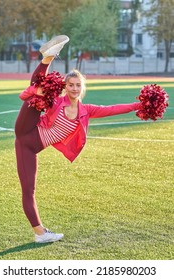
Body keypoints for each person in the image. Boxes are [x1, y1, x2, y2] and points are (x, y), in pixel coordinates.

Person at [15, 35, 141, 243]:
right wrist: (38, 90)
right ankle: (48, 58)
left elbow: (112, 109)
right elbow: (30, 94)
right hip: (26, 130)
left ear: (82, 88)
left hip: (28, 148)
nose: (74, 88)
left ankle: (40, 234)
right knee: (39, 91)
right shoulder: (56, 102)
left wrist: (138, 106)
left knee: (29, 190)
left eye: (77, 85)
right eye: (70, 85)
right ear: (65, 87)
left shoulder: (86, 111)